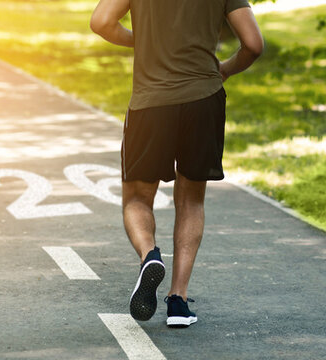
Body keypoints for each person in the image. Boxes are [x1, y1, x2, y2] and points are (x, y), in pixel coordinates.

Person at [90, 0, 263, 327]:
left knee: (138, 198)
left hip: (151, 102)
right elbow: (253, 45)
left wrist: (140, 38)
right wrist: (224, 68)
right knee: (191, 200)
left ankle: (150, 256)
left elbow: (101, 22)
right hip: (204, 99)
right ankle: (179, 302)